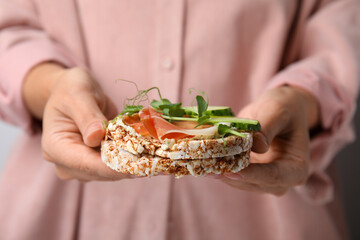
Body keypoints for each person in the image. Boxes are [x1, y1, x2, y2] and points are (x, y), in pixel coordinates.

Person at [0, 0, 359, 239]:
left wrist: (301, 98)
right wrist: (51, 86)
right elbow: (9, 28)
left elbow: (341, 24)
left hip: (270, 216)